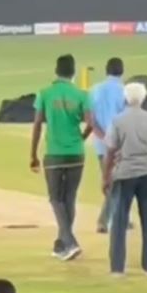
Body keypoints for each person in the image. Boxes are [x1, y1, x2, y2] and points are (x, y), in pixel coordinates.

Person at [30, 55, 100, 261]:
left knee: (55, 198)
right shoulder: (81, 95)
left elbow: (36, 125)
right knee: (69, 198)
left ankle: (69, 241)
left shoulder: (44, 93)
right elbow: (91, 122)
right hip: (76, 153)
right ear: (73, 72)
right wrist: (81, 137)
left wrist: (33, 154)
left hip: (54, 153)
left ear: (56, 70)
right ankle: (61, 243)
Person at [102, 82, 147, 275]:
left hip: (124, 174)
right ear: (144, 98)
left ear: (125, 98)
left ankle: (117, 267)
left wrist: (106, 177)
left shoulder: (117, 121)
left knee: (119, 222)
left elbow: (110, 150)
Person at [89, 57, 128, 233]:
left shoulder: (94, 90)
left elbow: (90, 117)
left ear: (106, 70)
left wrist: (100, 135)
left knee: (112, 182)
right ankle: (103, 221)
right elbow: (125, 119)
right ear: (122, 71)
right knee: (116, 183)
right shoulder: (123, 91)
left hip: (100, 143)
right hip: (119, 144)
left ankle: (123, 217)